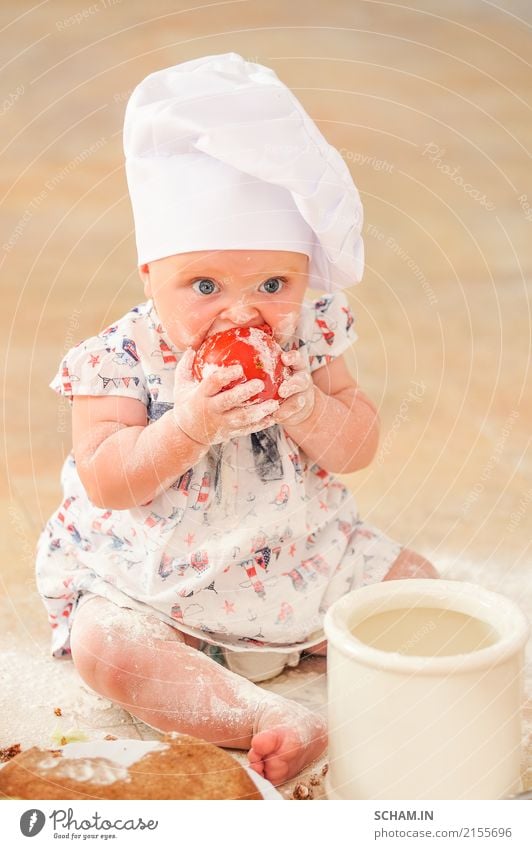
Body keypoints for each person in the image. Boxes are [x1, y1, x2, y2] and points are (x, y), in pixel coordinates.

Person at [36, 53, 437, 785]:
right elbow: (105, 478)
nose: (244, 310)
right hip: (161, 587)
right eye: (205, 284)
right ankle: (260, 713)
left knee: (420, 586)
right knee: (106, 646)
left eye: (274, 283)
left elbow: (360, 445)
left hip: (298, 560)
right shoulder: (120, 358)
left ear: (306, 280)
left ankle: (318, 642)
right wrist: (185, 426)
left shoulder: (308, 336)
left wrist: (312, 407)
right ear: (150, 274)